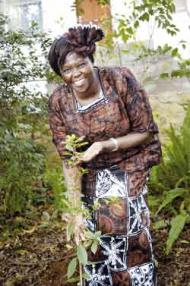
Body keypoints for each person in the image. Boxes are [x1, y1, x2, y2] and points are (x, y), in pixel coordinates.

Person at [48, 25, 162, 286]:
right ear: (60, 73)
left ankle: (137, 280)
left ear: (91, 59)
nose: (76, 73)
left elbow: (144, 131)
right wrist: (75, 209)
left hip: (130, 159)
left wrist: (104, 144)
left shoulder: (120, 79)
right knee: (90, 229)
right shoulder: (59, 102)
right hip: (90, 168)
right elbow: (69, 157)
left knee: (122, 217)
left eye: (81, 64)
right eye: (67, 69)